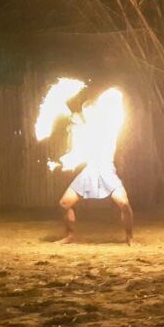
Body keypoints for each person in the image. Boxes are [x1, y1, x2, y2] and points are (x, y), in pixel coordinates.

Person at [54, 88, 134, 245]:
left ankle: (130, 238)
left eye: (92, 111)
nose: (89, 114)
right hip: (89, 171)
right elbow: (77, 151)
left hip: (106, 170)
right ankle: (70, 236)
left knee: (124, 204)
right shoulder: (83, 130)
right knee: (64, 204)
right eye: (86, 112)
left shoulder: (109, 126)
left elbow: (117, 114)